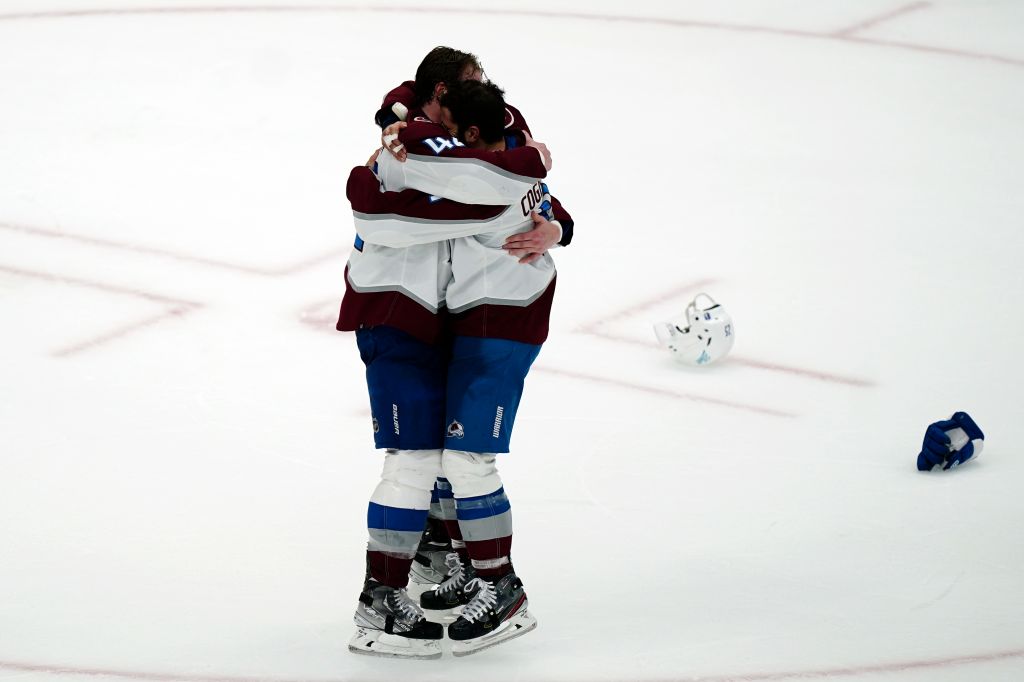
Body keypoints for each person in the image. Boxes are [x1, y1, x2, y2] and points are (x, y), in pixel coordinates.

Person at [341, 53, 569, 659]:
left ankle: (482, 580)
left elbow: (517, 185)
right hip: (406, 314)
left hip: (483, 316)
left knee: (451, 458)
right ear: (444, 96)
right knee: (430, 456)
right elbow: (383, 204)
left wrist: (552, 220)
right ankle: (449, 572)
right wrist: (530, 184)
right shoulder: (425, 153)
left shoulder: (442, 150)